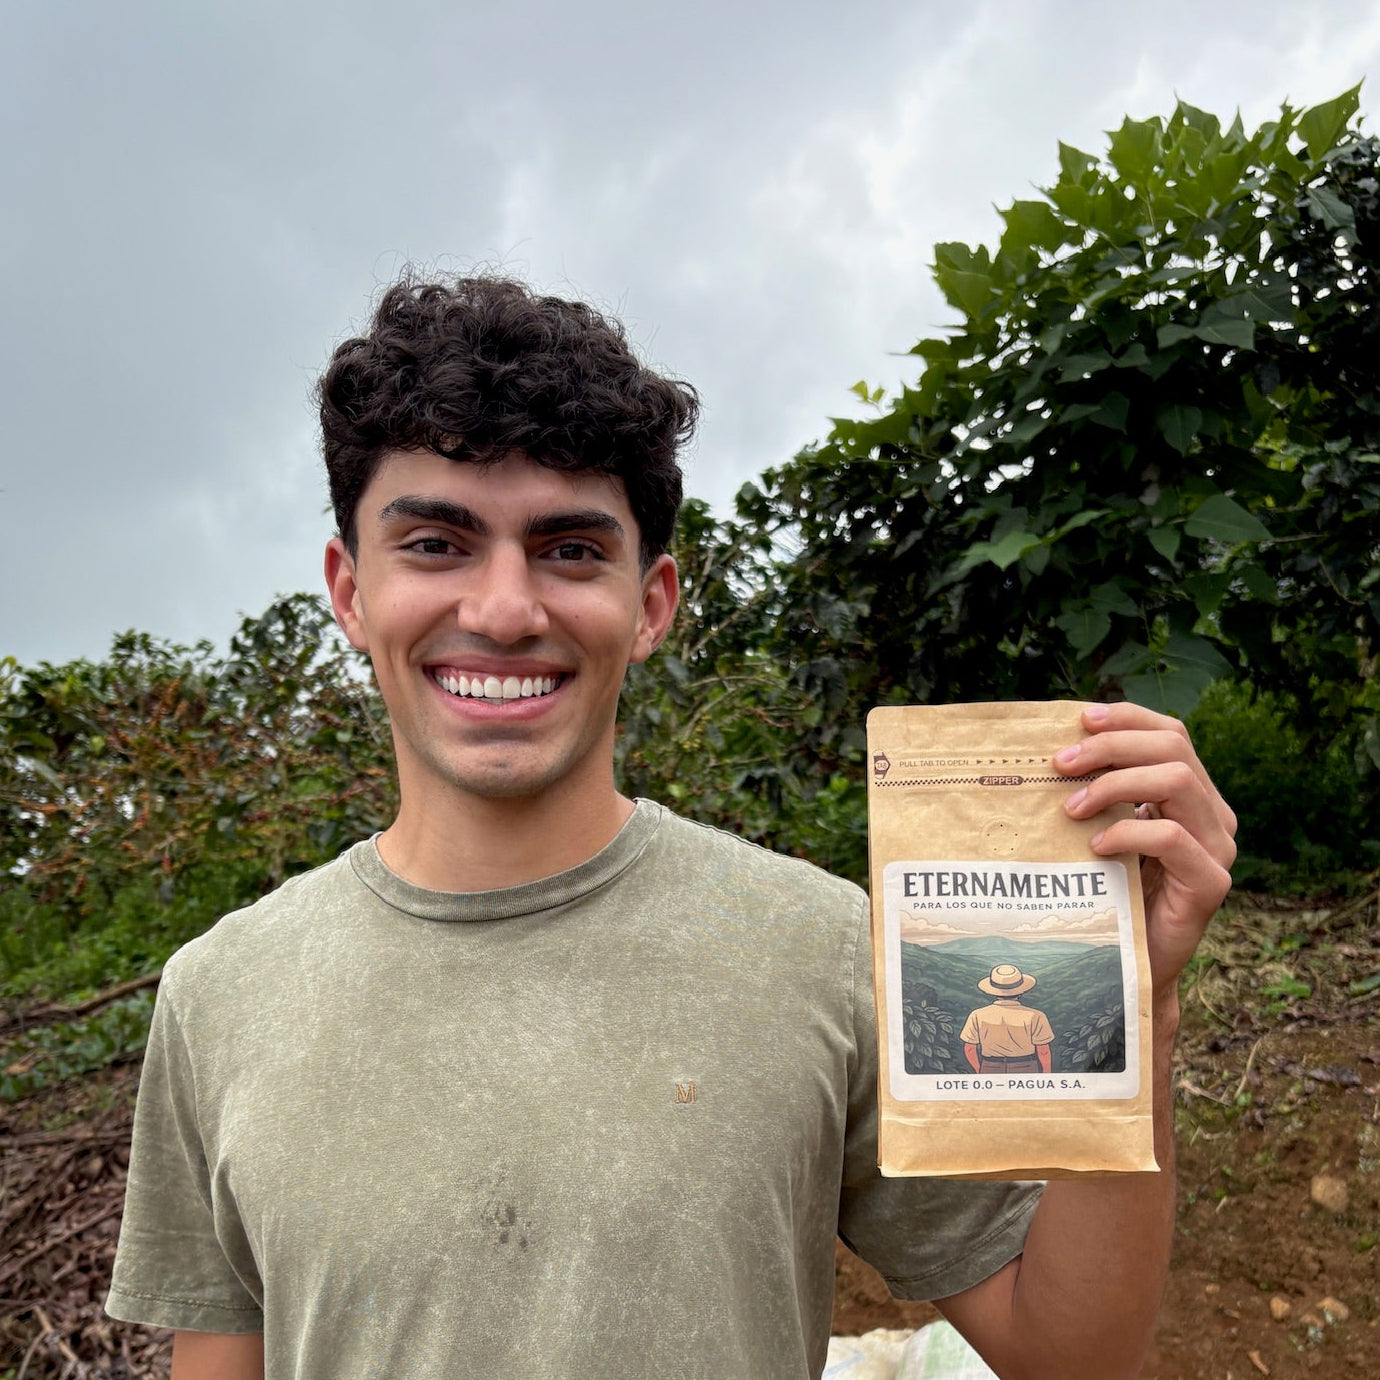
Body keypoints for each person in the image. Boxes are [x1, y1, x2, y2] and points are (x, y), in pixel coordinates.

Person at [105, 274, 1236, 1380]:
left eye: (571, 549)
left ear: (650, 604)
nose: (505, 610)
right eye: (437, 544)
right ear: (352, 591)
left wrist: (1140, 1009)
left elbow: (1071, 1352)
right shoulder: (219, 996)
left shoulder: (821, 948)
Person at [960, 965, 1055, 1076]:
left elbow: (970, 1049)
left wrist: (980, 1070)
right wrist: (1047, 1074)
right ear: (1021, 991)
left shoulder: (977, 1015)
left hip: (990, 1067)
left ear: (994, 991)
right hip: (1026, 1068)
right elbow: (1043, 1051)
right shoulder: (1036, 1016)